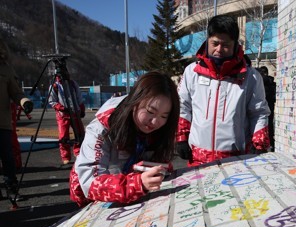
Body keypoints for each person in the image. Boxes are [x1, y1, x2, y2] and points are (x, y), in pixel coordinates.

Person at [69, 71, 180, 207]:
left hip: (131, 196)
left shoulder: (159, 129)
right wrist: (137, 184)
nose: (155, 121)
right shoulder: (101, 128)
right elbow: (91, 182)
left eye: (164, 116)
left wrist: (157, 169)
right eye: (150, 112)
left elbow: (153, 160)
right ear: (135, 101)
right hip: (94, 201)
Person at [176, 15, 271, 166]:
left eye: (225, 44)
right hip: (198, 158)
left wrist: (259, 144)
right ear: (207, 41)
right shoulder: (192, 72)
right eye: (215, 43)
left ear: (235, 44)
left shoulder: (251, 77)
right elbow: (183, 106)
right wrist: (181, 137)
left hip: (236, 160)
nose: (219, 49)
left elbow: (258, 112)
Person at [0, 39, 33, 199]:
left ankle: (11, 188)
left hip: (3, 122)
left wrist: (25, 102)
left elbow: (16, 92)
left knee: (7, 157)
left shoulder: (5, 70)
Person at [48, 68, 86, 165]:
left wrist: (82, 109)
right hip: (63, 115)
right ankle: (65, 156)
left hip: (75, 113)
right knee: (63, 136)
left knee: (80, 134)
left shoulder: (73, 84)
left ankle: (78, 153)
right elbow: (52, 101)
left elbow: (79, 98)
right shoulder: (55, 86)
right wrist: (62, 108)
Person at [258, 66, 276, 151]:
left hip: (261, 108)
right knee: (270, 127)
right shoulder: (272, 82)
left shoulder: (260, 81)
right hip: (270, 107)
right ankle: (270, 144)